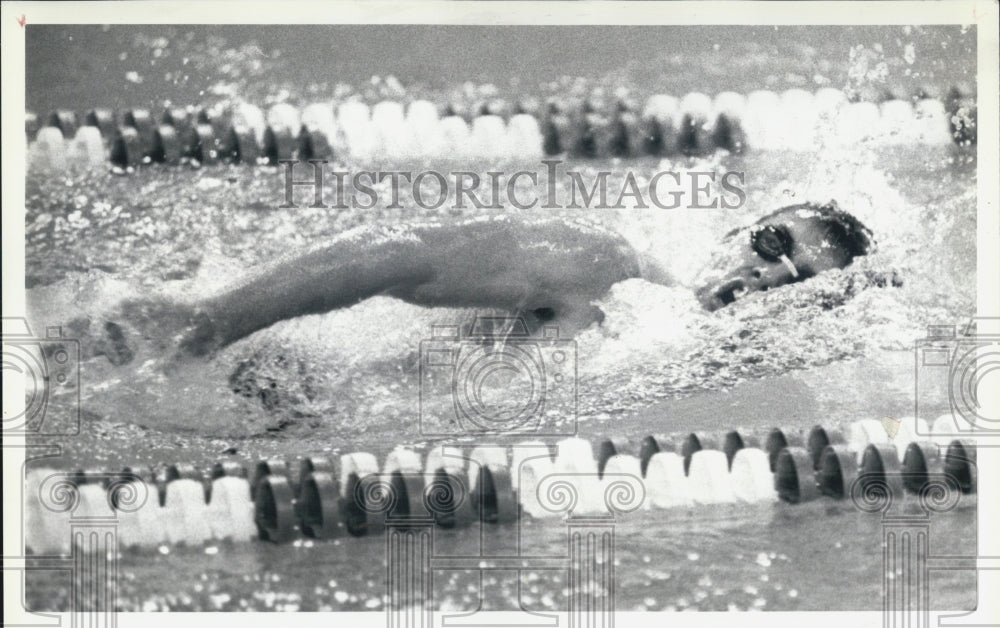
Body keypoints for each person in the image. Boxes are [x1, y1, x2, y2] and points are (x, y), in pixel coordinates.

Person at [95, 201, 873, 365]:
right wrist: (210, 319)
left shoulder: (677, 335)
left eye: (794, 278)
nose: (766, 271)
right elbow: (394, 248)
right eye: (774, 241)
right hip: (265, 383)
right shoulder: (604, 264)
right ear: (742, 227)